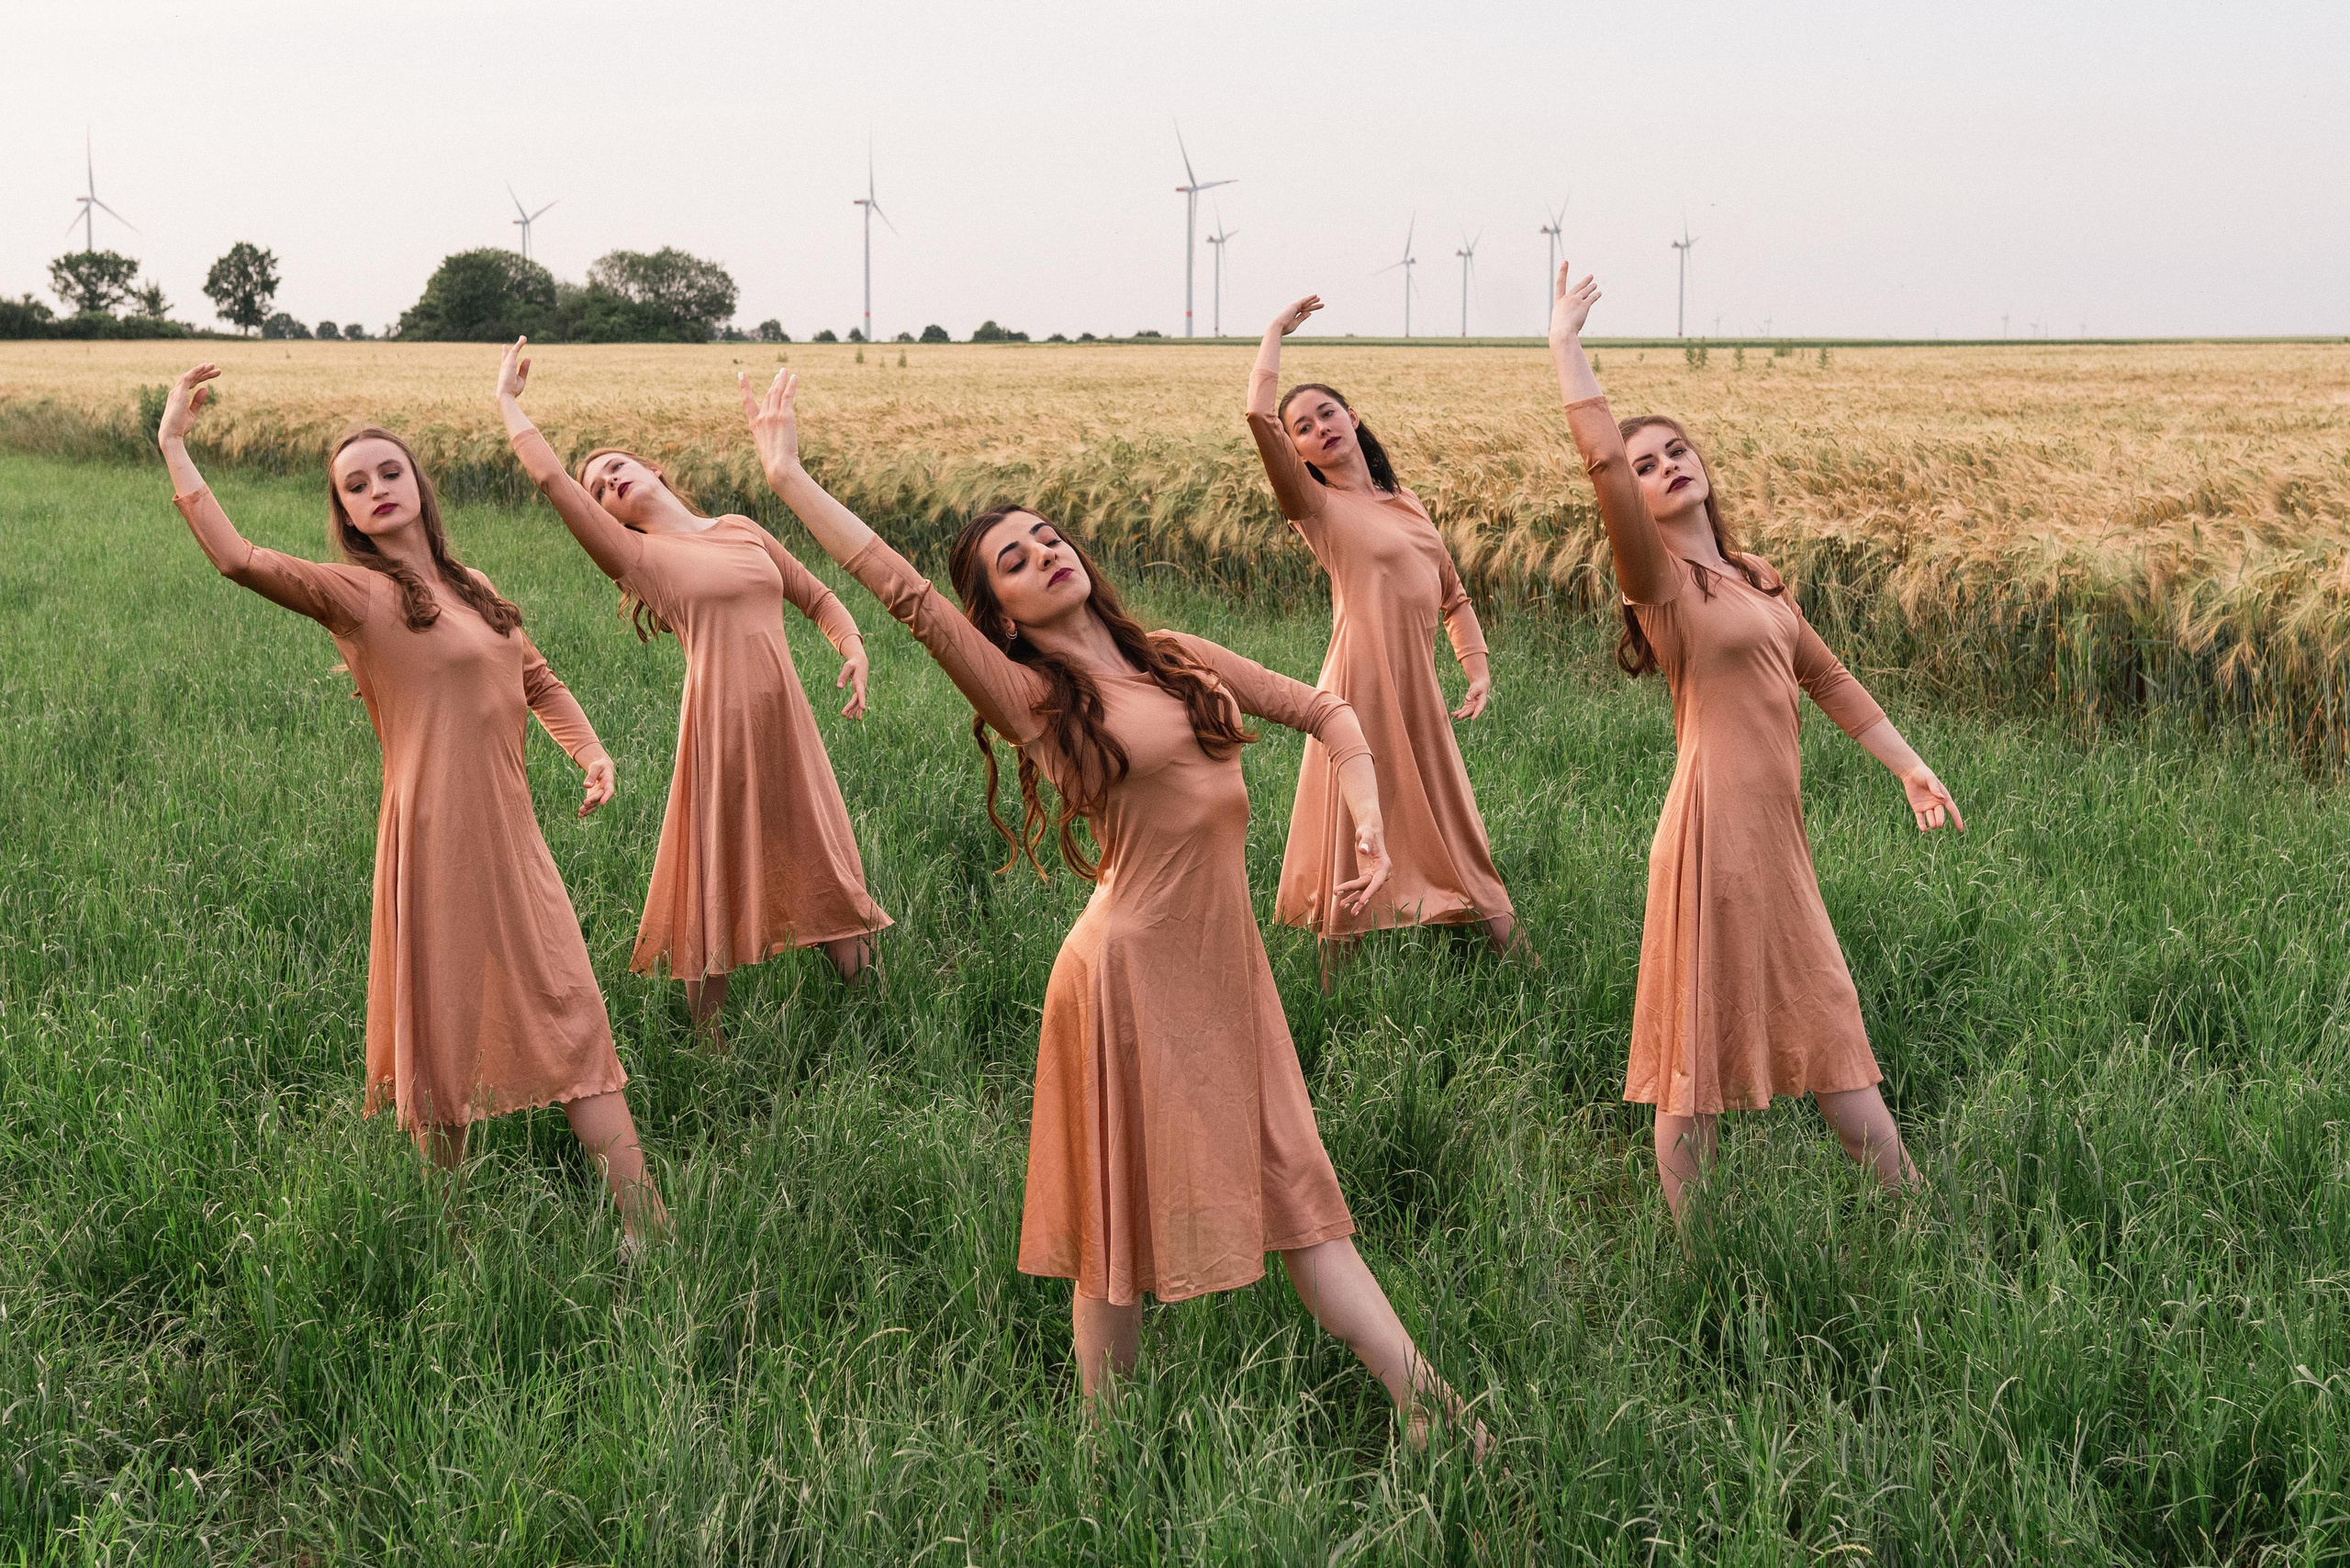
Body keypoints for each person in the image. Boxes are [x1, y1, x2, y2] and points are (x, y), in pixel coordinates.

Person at [740, 366, 1489, 1452]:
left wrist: (1370, 822)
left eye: (1048, 534)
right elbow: (901, 593)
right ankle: (1106, 1449)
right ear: (999, 614)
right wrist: (788, 476)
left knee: (1301, 1195)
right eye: (1014, 560)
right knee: (1112, 1227)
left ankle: (1430, 1411)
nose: (1046, 551)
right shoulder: (1034, 700)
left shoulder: (1174, 658)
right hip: (1124, 977)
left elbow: (1327, 710)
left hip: (1226, 972)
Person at [156, 363, 666, 1241]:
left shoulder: (472, 585)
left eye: (388, 472)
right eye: (354, 485)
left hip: (513, 837)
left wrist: (590, 752)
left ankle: (644, 1224)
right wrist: (173, 443)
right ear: (346, 515)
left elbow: (537, 678)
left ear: (418, 487)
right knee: (442, 1026)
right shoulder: (355, 596)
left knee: (572, 1007)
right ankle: (454, 1234)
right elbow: (237, 558)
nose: (375, 489)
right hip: (430, 841)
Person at [1545, 266, 1963, 1220]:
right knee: (1692, 1064)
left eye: (1675, 450)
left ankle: (1919, 1218)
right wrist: (1565, 348)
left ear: (1704, 463)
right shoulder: (1658, 585)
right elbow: (1601, 469)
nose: (1662, 467)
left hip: (1776, 844)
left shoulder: (1755, 576)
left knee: (1828, 1022)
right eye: (1645, 465)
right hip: (1707, 841)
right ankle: (1696, 1257)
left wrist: (1907, 764)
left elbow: (1827, 677)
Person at [494, 341, 890, 1046]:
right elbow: (554, 483)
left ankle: (883, 1019)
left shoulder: (738, 529)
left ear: (650, 468)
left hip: (788, 726)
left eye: (614, 467)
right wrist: (509, 406)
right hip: (718, 730)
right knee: (711, 868)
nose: (606, 482)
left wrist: (853, 648)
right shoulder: (639, 558)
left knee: (820, 855)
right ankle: (708, 1048)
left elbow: (817, 597)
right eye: (597, 488)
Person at [1247, 297, 1516, 965]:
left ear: (1354, 417)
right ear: (1299, 453)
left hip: (1418, 689)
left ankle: (1514, 959)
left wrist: (1476, 667)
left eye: (1327, 413)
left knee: (1452, 816)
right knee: (1352, 828)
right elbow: (1258, 416)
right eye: (1302, 428)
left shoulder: (1404, 501)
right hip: (1359, 685)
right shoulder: (1315, 506)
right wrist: (1275, 333)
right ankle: (1334, 978)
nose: (1318, 429)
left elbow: (1452, 594)